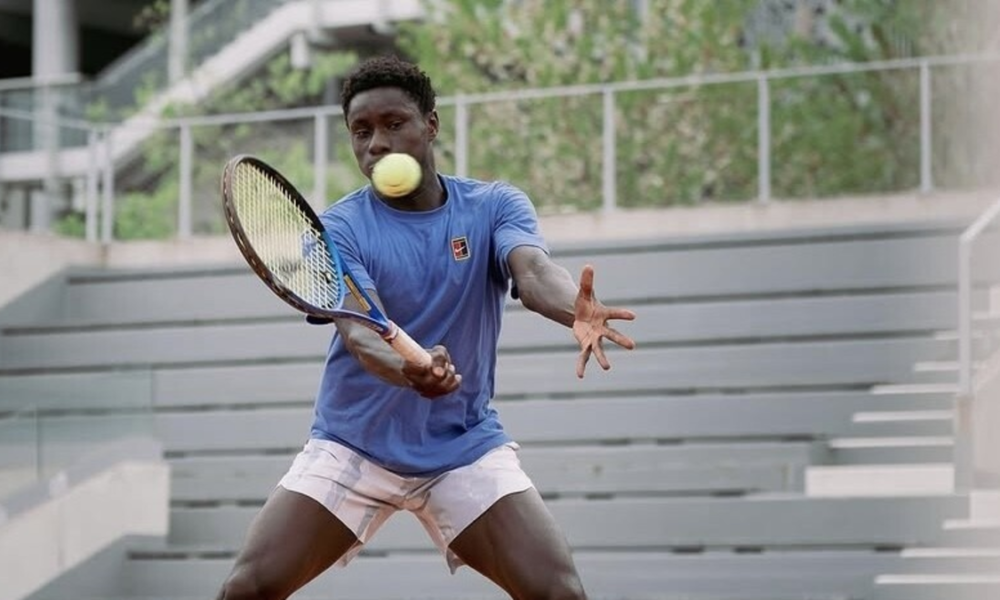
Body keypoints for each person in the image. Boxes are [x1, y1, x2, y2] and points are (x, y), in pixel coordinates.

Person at [216, 55, 636, 600]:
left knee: (560, 592)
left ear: (431, 125)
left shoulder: (493, 206)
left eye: (394, 124)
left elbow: (533, 274)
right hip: (355, 444)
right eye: (361, 131)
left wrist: (573, 308)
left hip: (462, 447)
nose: (377, 144)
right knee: (246, 588)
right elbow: (361, 334)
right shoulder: (337, 230)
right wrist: (410, 370)